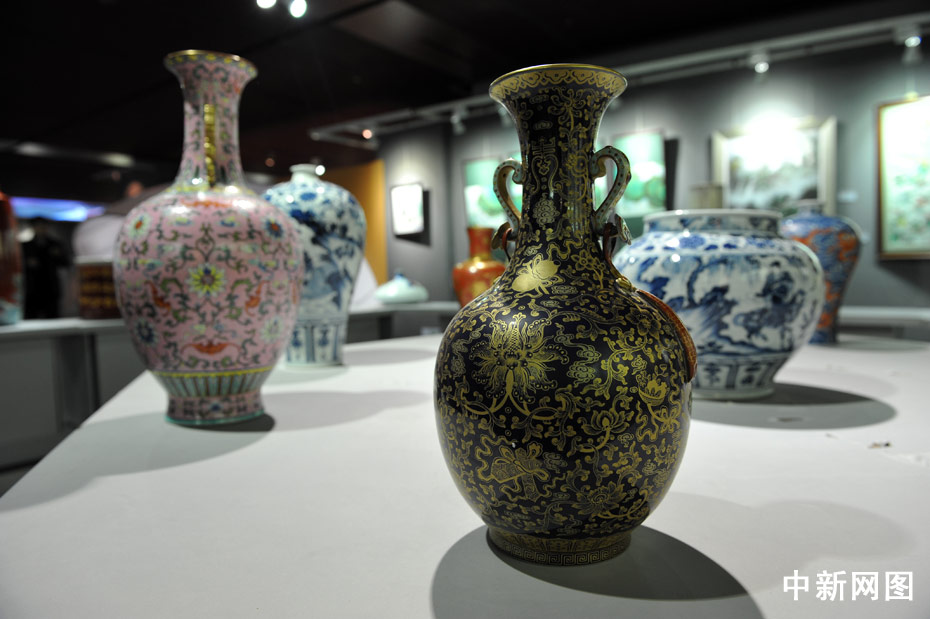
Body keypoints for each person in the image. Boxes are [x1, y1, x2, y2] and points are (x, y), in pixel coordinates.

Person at [21, 218, 70, 319]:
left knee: (52, 316)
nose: (41, 229)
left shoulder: (55, 244)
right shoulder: (26, 246)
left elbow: (65, 263)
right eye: (38, 226)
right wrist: (28, 263)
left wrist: (58, 256)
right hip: (33, 287)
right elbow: (20, 266)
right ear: (33, 228)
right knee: (31, 318)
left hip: (50, 287)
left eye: (43, 226)